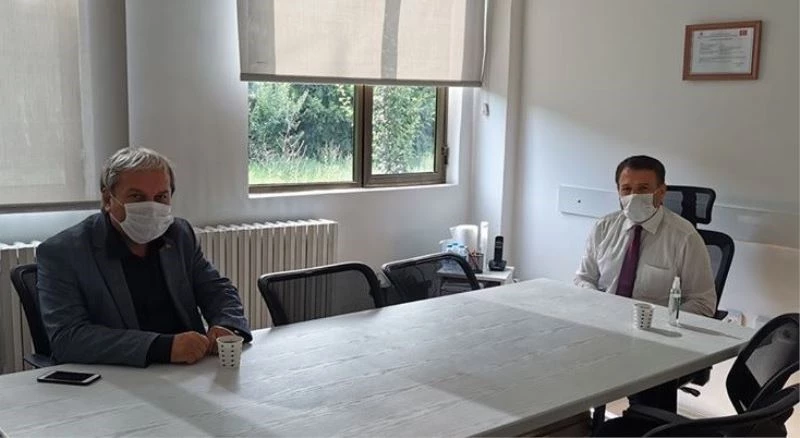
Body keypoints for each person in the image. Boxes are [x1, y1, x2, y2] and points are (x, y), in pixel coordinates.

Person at [37, 147, 251, 367]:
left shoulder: (179, 234)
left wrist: (227, 325)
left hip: (189, 371)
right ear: (108, 199)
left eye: (161, 197)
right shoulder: (63, 252)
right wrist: (162, 347)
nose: (151, 207)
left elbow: (217, 290)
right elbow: (68, 339)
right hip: (116, 378)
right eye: (136, 197)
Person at [575, 155, 717, 412]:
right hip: (603, 329)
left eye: (643, 189)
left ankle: (648, 426)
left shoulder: (684, 237)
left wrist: (658, 323)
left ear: (661, 192)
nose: (634, 196)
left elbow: (703, 303)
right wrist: (598, 305)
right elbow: (584, 278)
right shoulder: (603, 228)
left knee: (650, 401)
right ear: (618, 192)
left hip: (656, 341)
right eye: (626, 189)